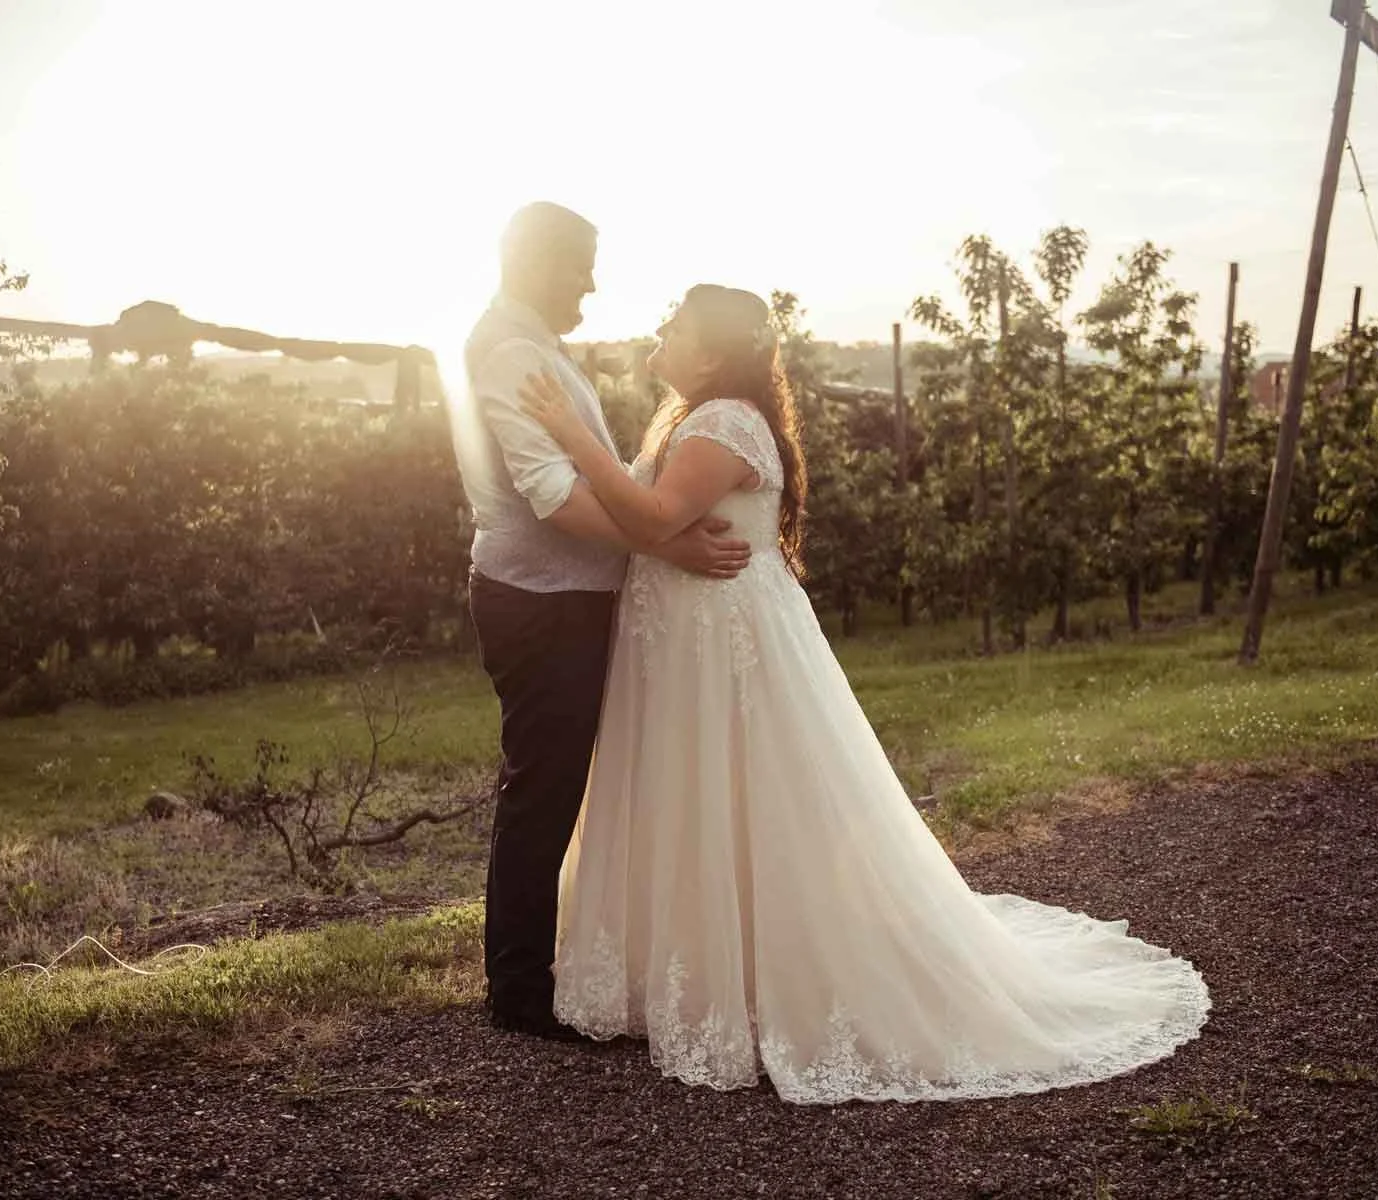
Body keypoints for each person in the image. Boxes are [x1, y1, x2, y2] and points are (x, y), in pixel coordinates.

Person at [519, 283, 1210, 1102]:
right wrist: (655, 529)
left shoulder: (725, 422)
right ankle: (695, 970)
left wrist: (570, 437)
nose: (658, 333)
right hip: (682, 644)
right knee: (692, 797)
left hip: (722, 650)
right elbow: (653, 524)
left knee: (745, 796)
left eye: (673, 325)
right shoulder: (689, 415)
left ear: (710, 351)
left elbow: (655, 511)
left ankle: (768, 978)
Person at [452, 204, 752, 1041]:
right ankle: (515, 989)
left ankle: (538, 968)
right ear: (535, 261)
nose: (591, 280)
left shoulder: (531, 345)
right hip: (541, 603)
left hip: (563, 599)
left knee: (556, 785)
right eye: (581, 263)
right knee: (543, 787)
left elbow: (587, 478)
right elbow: (553, 499)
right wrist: (665, 539)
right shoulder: (512, 351)